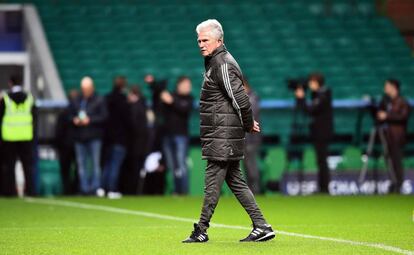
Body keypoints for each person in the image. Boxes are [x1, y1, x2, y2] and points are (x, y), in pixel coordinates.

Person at [182, 19, 275, 243]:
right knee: (236, 181)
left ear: (219, 41)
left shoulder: (222, 63)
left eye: (205, 40)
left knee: (212, 182)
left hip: (222, 134)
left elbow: (240, 97)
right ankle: (262, 226)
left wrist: (247, 122)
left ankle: (201, 230)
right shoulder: (217, 61)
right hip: (223, 132)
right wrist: (246, 122)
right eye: (199, 40)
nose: (201, 44)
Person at [295, 73, 333, 193]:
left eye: (311, 82)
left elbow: (310, 110)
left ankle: (324, 188)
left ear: (317, 82)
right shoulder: (320, 94)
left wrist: (301, 98)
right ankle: (323, 186)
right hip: (320, 132)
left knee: (322, 161)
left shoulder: (323, 95)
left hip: (322, 132)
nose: (309, 84)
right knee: (321, 160)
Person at [69, 76, 107, 195]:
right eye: (83, 88)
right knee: (81, 165)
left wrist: (90, 120)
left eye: (87, 88)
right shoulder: (77, 100)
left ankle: (95, 188)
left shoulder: (99, 99)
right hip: (79, 137)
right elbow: (68, 114)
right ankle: (84, 189)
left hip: (94, 136)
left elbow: (104, 117)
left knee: (95, 164)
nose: (85, 91)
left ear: (92, 88)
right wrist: (74, 120)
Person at [0, 75, 36, 196]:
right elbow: (35, 118)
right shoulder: (29, 97)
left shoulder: (5, 98)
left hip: (9, 137)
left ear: (10, 83)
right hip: (26, 137)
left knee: (10, 166)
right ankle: (31, 191)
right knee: (28, 166)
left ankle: (10, 192)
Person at [98, 76, 130, 199]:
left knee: (107, 164)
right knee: (115, 165)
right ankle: (111, 189)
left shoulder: (107, 98)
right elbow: (128, 121)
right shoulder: (123, 101)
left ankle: (101, 188)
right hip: (120, 138)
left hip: (108, 138)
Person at [161, 76, 193, 195]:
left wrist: (171, 101)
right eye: (186, 85)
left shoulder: (189, 99)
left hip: (181, 136)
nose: (188, 88)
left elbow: (183, 109)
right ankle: (176, 190)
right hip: (168, 135)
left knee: (181, 164)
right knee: (172, 166)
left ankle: (184, 191)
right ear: (179, 85)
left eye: (189, 85)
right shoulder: (171, 95)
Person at [377, 79, 410, 193]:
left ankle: (399, 185)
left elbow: (403, 117)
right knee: (389, 160)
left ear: (393, 87)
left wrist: (387, 116)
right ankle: (393, 182)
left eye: (387, 86)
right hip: (387, 136)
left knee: (396, 160)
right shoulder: (386, 102)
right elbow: (379, 114)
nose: (385, 88)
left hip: (397, 136)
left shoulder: (402, 102)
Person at [120, 85, 149, 194]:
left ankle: (133, 191)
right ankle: (136, 191)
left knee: (134, 169)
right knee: (137, 169)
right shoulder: (143, 105)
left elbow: (133, 126)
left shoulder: (134, 107)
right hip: (141, 144)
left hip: (135, 144)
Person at [55, 89, 79, 195]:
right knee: (77, 169)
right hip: (76, 144)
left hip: (65, 145)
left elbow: (58, 131)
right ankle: (75, 189)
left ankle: (67, 190)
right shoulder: (79, 113)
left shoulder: (63, 112)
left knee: (66, 170)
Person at [243, 79, 262, 194]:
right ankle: (251, 190)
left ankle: (256, 190)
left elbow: (250, 114)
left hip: (252, 138)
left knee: (252, 166)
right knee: (247, 166)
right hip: (245, 139)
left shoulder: (252, 98)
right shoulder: (248, 98)